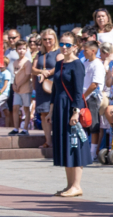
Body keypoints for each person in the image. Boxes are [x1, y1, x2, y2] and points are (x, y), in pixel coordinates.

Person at [51, 33, 91, 196]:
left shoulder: (77, 65)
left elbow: (77, 91)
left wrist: (75, 112)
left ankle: (76, 185)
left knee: (74, 144)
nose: (64, 47)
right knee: (65, 144)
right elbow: (55, 88)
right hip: (60, 108)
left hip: (70, 108)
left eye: (68, 44)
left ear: (75, 46)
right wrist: (51, 111)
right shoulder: (60, 63)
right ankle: (69, 185)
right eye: (62, 44)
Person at [32, 29, 58, 149]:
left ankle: (57, 140)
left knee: (56, 114)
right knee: (44, 114)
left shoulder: (58, 52)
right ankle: (48, 141)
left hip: (54, 85)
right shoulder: (40, 54)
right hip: (42, 86)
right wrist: (42, 71)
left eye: (49, 39)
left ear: (54, 39)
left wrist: (46, 73)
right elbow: (33, 69)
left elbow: (59, 65)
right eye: (45, 39)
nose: (47, 41)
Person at [81, 41, 106, 163]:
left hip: (92, 97)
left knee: (93, 125)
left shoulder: (97, 64)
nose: (83, 52)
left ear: (93, 51)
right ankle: (85, 150)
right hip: (84, 97)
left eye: (85, 50)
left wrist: (84, 96)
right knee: (83, 124)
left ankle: (93, 153)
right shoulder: (84, 63)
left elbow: (94, 84)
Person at [10, 40, 33, 135]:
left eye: (23, 49)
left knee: (26, 108)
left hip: (25, 89)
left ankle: (25, 129)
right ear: (16, 50)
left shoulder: (27, 62)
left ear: (26, 50)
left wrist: (19, 84)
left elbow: (27, 76)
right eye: (19, 49)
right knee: (15, 108)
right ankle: (16, 128)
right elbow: (14, 75)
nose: (21, 51)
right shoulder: (15, 62)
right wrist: (14, 84)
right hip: (17, 90)